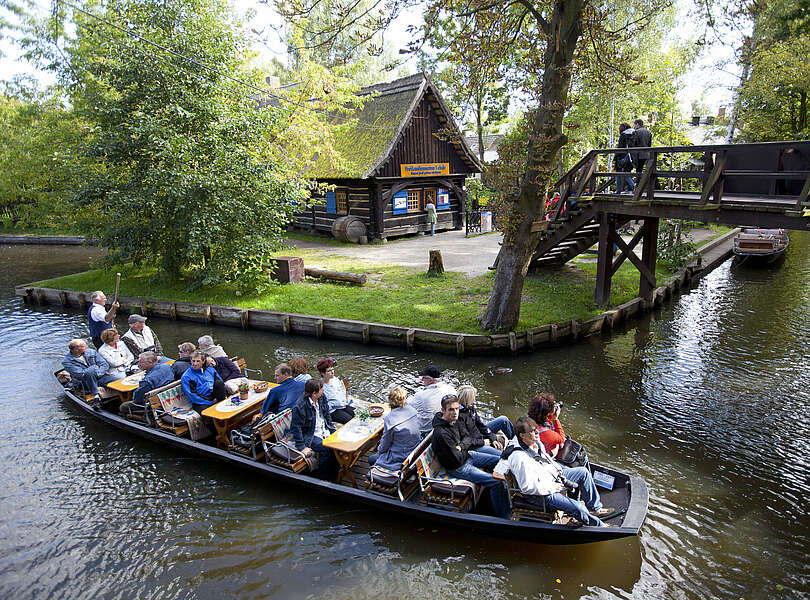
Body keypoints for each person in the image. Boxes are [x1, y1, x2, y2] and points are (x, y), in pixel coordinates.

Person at [494, 416, 613, 527]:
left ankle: (594, 508)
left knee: (583, 473)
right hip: (539, 494)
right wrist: (552, 487)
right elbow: (527, 488)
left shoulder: (534, 444)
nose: (536, 433)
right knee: (577, 507)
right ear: (522, 435)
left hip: (548, 478)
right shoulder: (519, 458)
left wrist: (558, 473)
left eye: (536, 429)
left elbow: (547, 462)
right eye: (532, 431)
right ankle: (600, 527)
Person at [431, 394, 510, 518]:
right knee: (496, 483)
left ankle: (509, 495)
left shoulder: (455, 420)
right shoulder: (441, 433)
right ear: (443, 411)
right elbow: (457, 458)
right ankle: (504, 516)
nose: (455, 412)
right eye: (451, 409)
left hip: (468, 456)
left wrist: (461, 446)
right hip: (458, 467)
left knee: (502, 460)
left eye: (457, 408)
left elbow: (468, 437)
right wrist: (464, 447)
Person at [290, 378, 337, 478]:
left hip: (324, 428)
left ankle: (335, 471)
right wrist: (302, 447)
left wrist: (332, 429)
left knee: (337, 445)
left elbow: (326, 413)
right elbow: (295, 427)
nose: (323, 390)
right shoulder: (300, 406)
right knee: (326, 449)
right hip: (310, 435)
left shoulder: (321, 397)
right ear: (314, 393)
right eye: (321, 389)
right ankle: (323, 476)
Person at [368, 387, 421, 470]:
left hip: (400, 457)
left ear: (390, 400)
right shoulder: (413, 411)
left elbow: (384, 446)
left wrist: (379, 450)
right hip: (414, 450)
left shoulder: (390, 420)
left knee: (371, 459)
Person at [456, 385, 514, 457]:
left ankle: (516, 441)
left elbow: (480, 425)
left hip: (477, 434)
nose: (475, 399)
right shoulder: (457, 416)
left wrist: (493, 438)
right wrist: (483, 442)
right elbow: (467, 441)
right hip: (474, 445)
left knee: (503, 419)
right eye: (473, 397)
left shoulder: (470, 408)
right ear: (468, 399)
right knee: (502, 456)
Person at [119, 351, 174, 416]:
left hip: (153, 403)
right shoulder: (167, 367)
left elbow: (137, 399)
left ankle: (136, 418)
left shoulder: (147, 381)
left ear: (150, 362)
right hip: (167, 397)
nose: (138, 364)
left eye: (141, 362)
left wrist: (133, 395)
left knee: (123, 407)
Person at [407, 364, 457, 435]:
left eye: (423, 377)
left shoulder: (421, 396)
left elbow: (406, 405)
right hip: (444, 426)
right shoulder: (451, 389)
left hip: (426, 431)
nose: (422, 379)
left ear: (430, 380)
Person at [61, 338, 114, 403]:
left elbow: (104, 364)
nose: (86, 346)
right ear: (76, 349)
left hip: (100, 376)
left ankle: (96, 395)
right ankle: (96, 394)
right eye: (83, 346)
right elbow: (80, 375)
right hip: (84, 383)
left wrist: (97, 373)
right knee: (90, 370)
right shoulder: (66, 362)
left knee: (119, 379)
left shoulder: (91, 352)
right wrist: (94, 368)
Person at [527, 393, 566, 458]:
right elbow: (562, 438)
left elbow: (543, 419)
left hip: (530, 447)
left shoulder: (526, 419)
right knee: (559, 445)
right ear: (547, 413)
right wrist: (555, 419)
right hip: (543, 455)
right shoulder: (545, 432)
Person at [317, 357, 354, 424]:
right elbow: (323, 405)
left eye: (333, 369)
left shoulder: (335, 380)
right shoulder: (320, 387)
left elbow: (343, 391)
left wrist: (343, 401)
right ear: (323, 373)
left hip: (342, 405)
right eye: (329, 371)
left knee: (358, 414)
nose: (332, 372)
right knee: (350, 421)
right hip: (333, 411)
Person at [616, 122, 636, 194]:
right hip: (632, 156)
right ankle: (630, 188)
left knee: (620, 172)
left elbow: (620, 147)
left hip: (623, 157)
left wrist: (616, 157)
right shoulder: (634, 133)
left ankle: (632, 186)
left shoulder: (623, 134)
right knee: (627, 172)